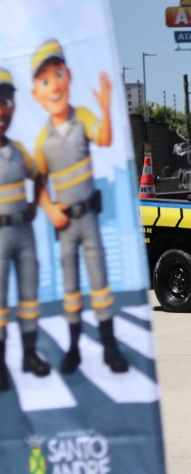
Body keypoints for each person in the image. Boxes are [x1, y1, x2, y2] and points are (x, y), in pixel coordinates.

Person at [31, 39, 128, 374]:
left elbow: (103, 139)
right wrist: (49, 209)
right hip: (65, 223)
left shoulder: (82, 117)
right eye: (44, 81)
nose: (53, 86)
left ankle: (110, 347)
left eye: (57, 75)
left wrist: (105, 107)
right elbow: (38, 181)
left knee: (99, 283)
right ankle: (73, 348)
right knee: (70, 287)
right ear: (36, 93)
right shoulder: (42, 140)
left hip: (88, 217)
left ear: (68, 76)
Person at [0, 68, 50, 391]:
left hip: (24, 232)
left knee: (29, 295)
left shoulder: (18, 151)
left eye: (8, 100)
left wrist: (34, 205)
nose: (4, 108)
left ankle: (29, 354)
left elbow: (39, 173)